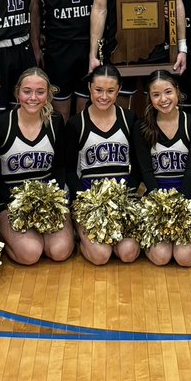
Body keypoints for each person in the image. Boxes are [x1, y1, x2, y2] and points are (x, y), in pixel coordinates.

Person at [0, 67, 74, 266]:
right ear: (17, 93)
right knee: (30, 253)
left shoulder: (55, 121)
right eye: (27, 91)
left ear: (48, 95)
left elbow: (59, 168)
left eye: (40, 92)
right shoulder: (1, 124)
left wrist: (50, 201)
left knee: (60, 251)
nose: (33, 98)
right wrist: (16, 204)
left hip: (47, 201)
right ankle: (7, 237)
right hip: (11, 201)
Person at [64, 65, 143, 265]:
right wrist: (86, 201)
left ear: (119, 90)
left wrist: (127, 198)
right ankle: (79, 232)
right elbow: (70, 171)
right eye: (98, 90)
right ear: (89, 88)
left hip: (122, 200)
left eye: (110, 91)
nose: (104, 97)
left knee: (128, 253)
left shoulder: (129, 118)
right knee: (101, 256)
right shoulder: (76, 124)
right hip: (89, 201)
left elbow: (138, 166)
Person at [137, 73, 191, 264]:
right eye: (156, 95)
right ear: (149, 98)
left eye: (168, 92)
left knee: (185, 258)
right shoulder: (142, 127)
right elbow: (146, 172)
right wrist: (160, 205)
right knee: (161, 257)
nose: (163, 99)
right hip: (156, 197)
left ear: (177, 91)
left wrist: (180, 206)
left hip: (188, 196)